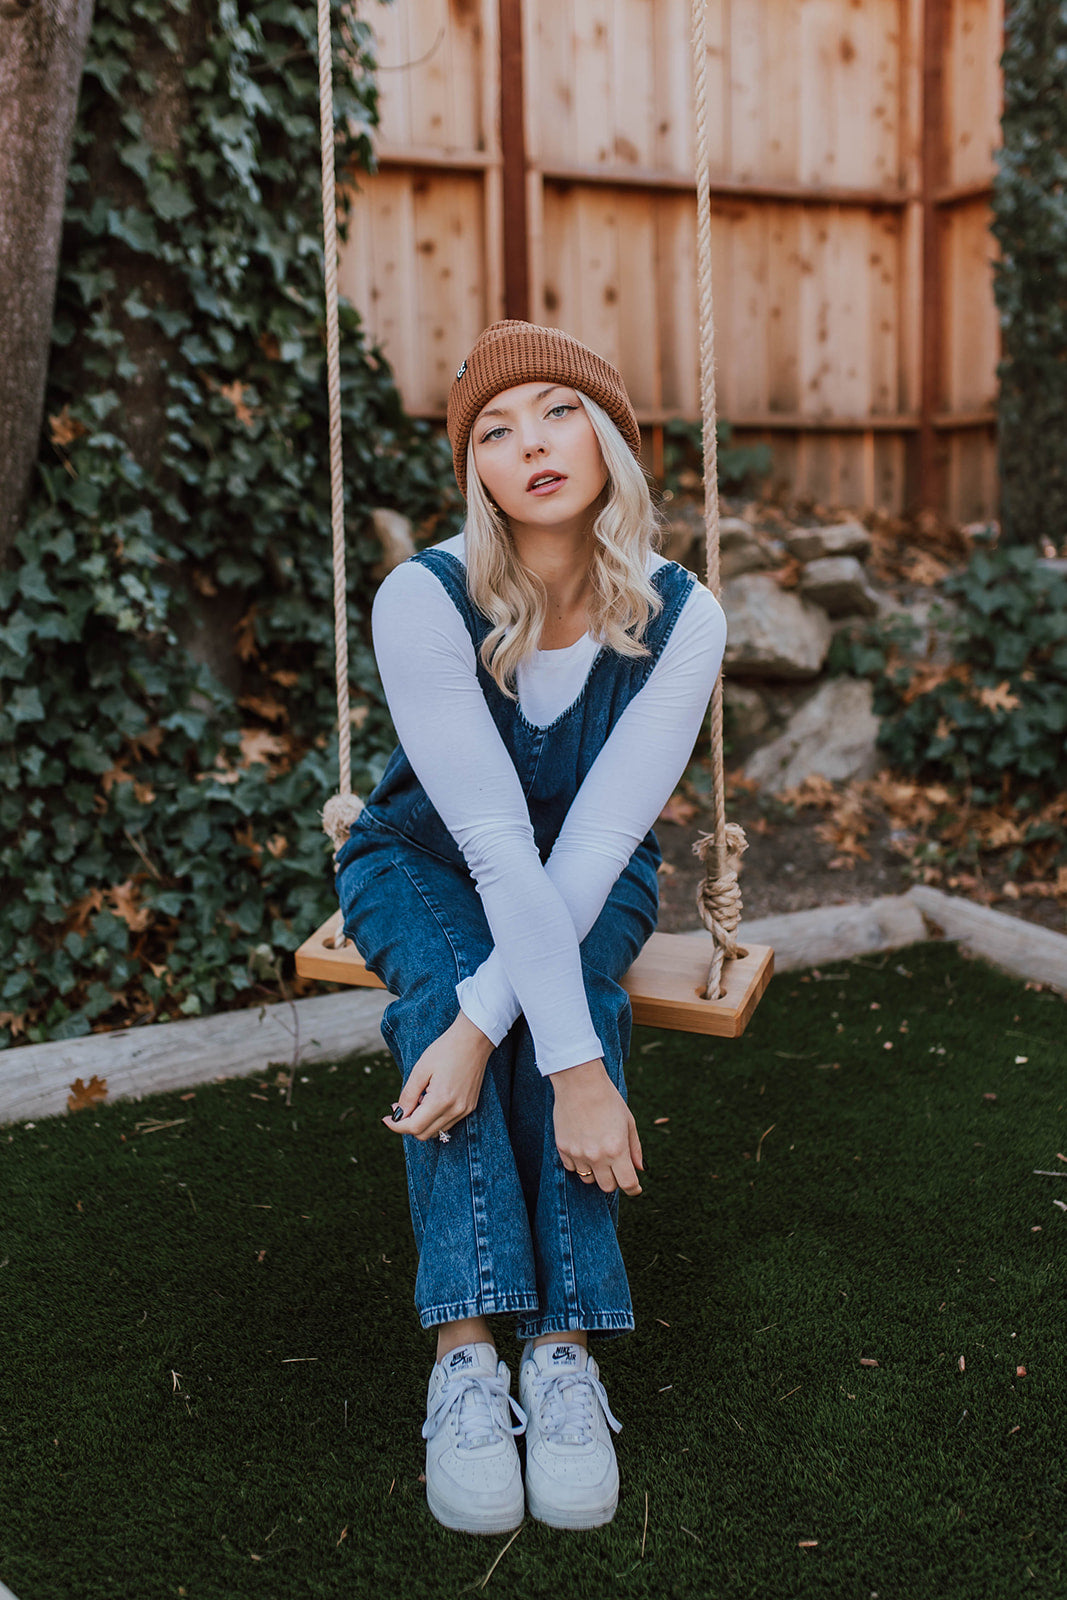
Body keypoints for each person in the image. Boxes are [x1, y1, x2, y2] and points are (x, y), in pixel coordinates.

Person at [335, 320, 726, 1535]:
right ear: (477, 473)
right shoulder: (425, 596)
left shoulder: (682, 614)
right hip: (426, 853)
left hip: (591, 868)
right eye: (495, 432)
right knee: (475, 990)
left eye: (556, 412)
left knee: (536, 1004)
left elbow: (589, 848)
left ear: (605, 435)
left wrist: (490, 1031)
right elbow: (496, 850)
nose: (529, 445)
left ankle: (557, 1350)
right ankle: (466, 1349)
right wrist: (550, 1059)